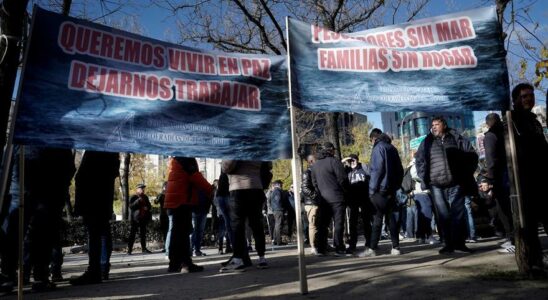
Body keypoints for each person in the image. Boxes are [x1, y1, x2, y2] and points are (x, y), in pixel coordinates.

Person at [415, 117, 478, 255]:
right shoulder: (427, 142)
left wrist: (466, 173)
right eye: (432, 125)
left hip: (456, 182)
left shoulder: (456, 138)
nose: (434, 127)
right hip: (436, 184)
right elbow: (418, 160)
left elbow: (472, 155)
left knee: (458, 214)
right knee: (443, 216)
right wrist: (425, 177)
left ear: (444, 125)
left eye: (437, 124)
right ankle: (448, 244)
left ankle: (459, 244)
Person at [509, 83, 548, 274]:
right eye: (524, 96)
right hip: (524, 180)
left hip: (542, 177)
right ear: (516, 99)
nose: (529, 99)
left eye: (531, 95)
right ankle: (534, 262)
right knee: (530, 225)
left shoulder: (534, 120)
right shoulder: (512, 120)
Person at [70, 151, 120, 285]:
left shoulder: (95, 151)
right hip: (102, 198)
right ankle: (101, 268)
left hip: (92, 198)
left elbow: (82, 177)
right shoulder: (111, 151)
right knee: (101, 231)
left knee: (95, 233)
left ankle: (95, 270)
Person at [220, 160, 271, 272]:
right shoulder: (257, 146)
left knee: (237, 225)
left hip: (238, 189)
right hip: (256, 188)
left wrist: (223, 165)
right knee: (256, 224)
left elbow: (227, 166)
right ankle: (262, 258)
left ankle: (238, 259)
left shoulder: (237, 145)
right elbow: (267, 166)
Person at [164, 157, 212, 273]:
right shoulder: (186, 160)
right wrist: (211, 189)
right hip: (182, 200)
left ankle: (174, 264)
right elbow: (196, 177)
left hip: (174, 199)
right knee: (183, 233)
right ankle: (186, 263)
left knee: (177, 233)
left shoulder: (175, 160)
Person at [360, 129, 404, 257]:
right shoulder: (392, 148)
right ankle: (396, 247)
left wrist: (372, 190)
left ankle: (372, 248)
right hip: (391, 190)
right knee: (391, 219)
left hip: (380, 190)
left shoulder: (378, 148)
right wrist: (395, 186)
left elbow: (377, 170)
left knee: (378, 218)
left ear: (373, 138)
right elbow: (400, 170)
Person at [482, 113, 514, 254]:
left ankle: (512, 239)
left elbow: (491, 159)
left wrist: (489, 179)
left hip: (501, 176)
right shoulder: (508, 131)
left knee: (503, 208)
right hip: (513, 174)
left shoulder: (490, 136)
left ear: (488, 123)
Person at [311, 142, 349, 255]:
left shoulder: (315, 165)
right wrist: (345, 191)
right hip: (337, 197)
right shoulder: (334, 161)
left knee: (322, 225)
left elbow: (314, 183)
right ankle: (339, 247)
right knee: (338, 223)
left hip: (323, 199)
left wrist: (320, 194)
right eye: (333, 149)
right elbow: (342, 179)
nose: (334, 151)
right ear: (330, 150)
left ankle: (321, 248)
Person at [344, 154, 372, 254]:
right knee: (353, 222)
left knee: (366, 221)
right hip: (352, 199)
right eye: (351, 160)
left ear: (358, 160)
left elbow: (371, 177)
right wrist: (345, 161)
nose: (353, 162)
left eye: (354, 160)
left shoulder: (364, 168)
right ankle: (352, 244)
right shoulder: (347, 170)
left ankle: (369, 242)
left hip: (364, 198)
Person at [302, 154, 322, 255]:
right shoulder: (307, 173)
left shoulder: (316, 172)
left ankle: (321, 244)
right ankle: (313, 246)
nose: (318, 162)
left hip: (318, 201)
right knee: (313, 225)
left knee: (320, 224)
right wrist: (316, 196)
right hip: (312, 203)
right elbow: (305, 188)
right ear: (310, 162)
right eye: (316, 160)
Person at [128, 184, 152, 254]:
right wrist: (138, 200)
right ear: (137, 189)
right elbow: (131, 206)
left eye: (143, 189)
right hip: (135, 219)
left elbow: (149, 206)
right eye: (141, 188)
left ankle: (144, 249)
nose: (143, 190)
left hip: (143, 218)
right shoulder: (133, 197)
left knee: (143, 234)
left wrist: (147, 208)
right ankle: (129, 249)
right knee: (132, 234)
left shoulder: (145, 197)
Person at [269, 180, 285, 245]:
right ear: (278, 184)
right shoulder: (277, 191)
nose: (282, 186)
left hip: (275, 210)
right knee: (279, 225)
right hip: (278, 209)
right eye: (281, 184)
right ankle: (278, 241)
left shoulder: (273, 191)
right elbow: (278, 200)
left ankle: (276, 240)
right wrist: (282, 208)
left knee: (276, 225)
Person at [154, 182, 169, 253]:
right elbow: (156, 202)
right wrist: (158, 197)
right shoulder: (161, 195)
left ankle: (169, 246)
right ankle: (166, 247)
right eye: (165, 186)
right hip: (163, 215)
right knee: (165, 232)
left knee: (170, 231)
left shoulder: (170, 194)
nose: (166, 188)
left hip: (169, 215)